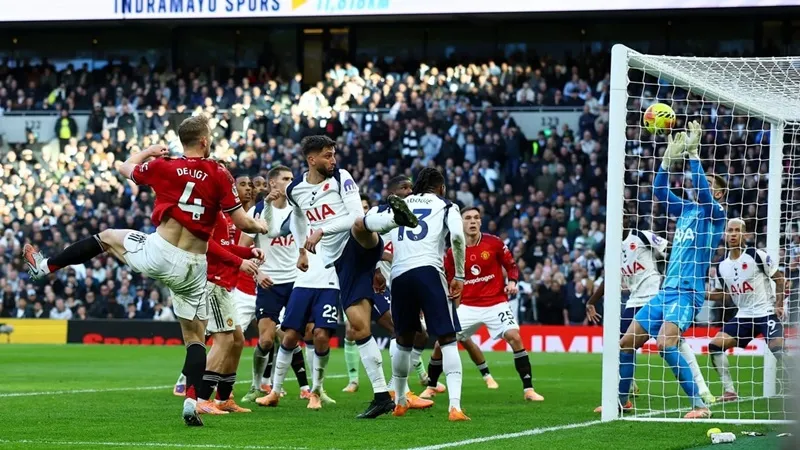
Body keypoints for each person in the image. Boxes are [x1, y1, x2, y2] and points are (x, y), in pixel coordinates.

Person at [23, 114, 268, 426]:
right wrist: (262, 225)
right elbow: (244, 223)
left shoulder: (163, 166)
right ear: (205, 141)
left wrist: (149, 151)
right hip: (194, 265)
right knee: (195, 337)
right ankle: (192, 401)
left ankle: (44, 267)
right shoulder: (219, 172)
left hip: (160, 252)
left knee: (108, 237)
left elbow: (124, 167)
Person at [282, 135, 418, 418]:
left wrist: (321, 230)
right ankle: (382, 395)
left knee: (359, 223)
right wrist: (301, 249)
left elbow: (355, 214)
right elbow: (296, 216)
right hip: (344, 263)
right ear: (312, 160)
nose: (333, 160)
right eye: (327, 156)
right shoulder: (296, 188)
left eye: (334, 155)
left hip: (361, 243)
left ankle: (394, 217)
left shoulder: (342, 177)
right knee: (358, 329)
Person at [619, 121, 726, 419]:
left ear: (719, 194)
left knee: (666, 343)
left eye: (711, 186)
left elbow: (703, 193)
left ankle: (700, 405)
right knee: (626, 343)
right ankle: (620, 401)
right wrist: (668, 160)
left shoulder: (716, 215)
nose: (701, 187)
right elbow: (659, 190)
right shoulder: (686, 211)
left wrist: (694, 156)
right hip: (666, 292)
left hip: (688, 293)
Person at [588, 215, 713, 412]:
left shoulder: (641, 236)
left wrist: (673, 279)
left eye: (624, 215)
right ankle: (623, 398)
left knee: (675, 345)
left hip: (657, 297)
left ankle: (702, 392)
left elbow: (672, 249)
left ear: (628, 219)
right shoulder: (611, 247)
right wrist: (592, 301)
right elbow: (610, 277)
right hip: (634, 301)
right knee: (623, 345)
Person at [423, 206, 544, 402]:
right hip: (468, 306)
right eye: (468, 218)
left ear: (480, 222)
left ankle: (528, 389)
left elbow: (511, 265)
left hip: (496, 303)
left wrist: (512, 281)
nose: (472, 221)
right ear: (460, 223)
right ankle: (431, 386)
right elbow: (446, 278)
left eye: (476, 218)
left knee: (515, 337)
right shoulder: (453, 250)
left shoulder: (493, 243)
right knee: (440, 344)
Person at [386, 167, 469, 421]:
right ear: (441, 187)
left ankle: (400, 401)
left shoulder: (399, 204)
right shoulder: (446, 205)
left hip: (398, 274)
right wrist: (460, 275)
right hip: (428, 271)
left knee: (403, 339)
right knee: (447, 338)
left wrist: (378, 272)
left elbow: (381, 238)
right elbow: (456, 235)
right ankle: (454, 407)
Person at [238, 166, 314, 403]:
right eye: (285, 179)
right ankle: (256, 385)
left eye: (292, 179)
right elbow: (243, 248)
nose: (290, 182)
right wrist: (257, 273)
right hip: (269, 282)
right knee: (266, 340)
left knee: (298, 334)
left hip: (295, 281)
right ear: (272, 183)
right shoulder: (257, 211)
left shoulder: (299, 210)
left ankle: (310, 388)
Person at [707, 218, 786, 402]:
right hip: (743, 316)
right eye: (730, 231)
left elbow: (780, 279)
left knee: (778, 349)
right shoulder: (722, 266)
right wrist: (703, 295)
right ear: (725, 235)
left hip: (766, 313)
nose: (733, 234)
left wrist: (779, 304)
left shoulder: (756, 255)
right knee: (714, 346)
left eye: (737, 230)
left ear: (745, 234)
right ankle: (729, 391)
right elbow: (724, 295)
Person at [256, 246, 340, 411]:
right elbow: (286, 228)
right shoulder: (301, 221)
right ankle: (275, 392)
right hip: (302, 283)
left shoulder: (339, 221)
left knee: (321, 335)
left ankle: (316, 391)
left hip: (329, 284)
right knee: (290, 336)